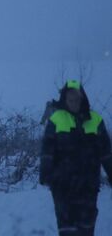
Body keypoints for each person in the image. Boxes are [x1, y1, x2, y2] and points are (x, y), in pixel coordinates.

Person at [40, 80, 112, 236]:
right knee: (68, 230)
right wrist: (46, 173)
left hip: (88, 186)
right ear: (65, 100)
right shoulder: (56, 119)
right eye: (70, 100)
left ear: (83, 99)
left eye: (77, 99)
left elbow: (106, 152)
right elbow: (47, 150)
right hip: (62, 186)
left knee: (86, 229)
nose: (74, 103)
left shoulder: (96, 120)